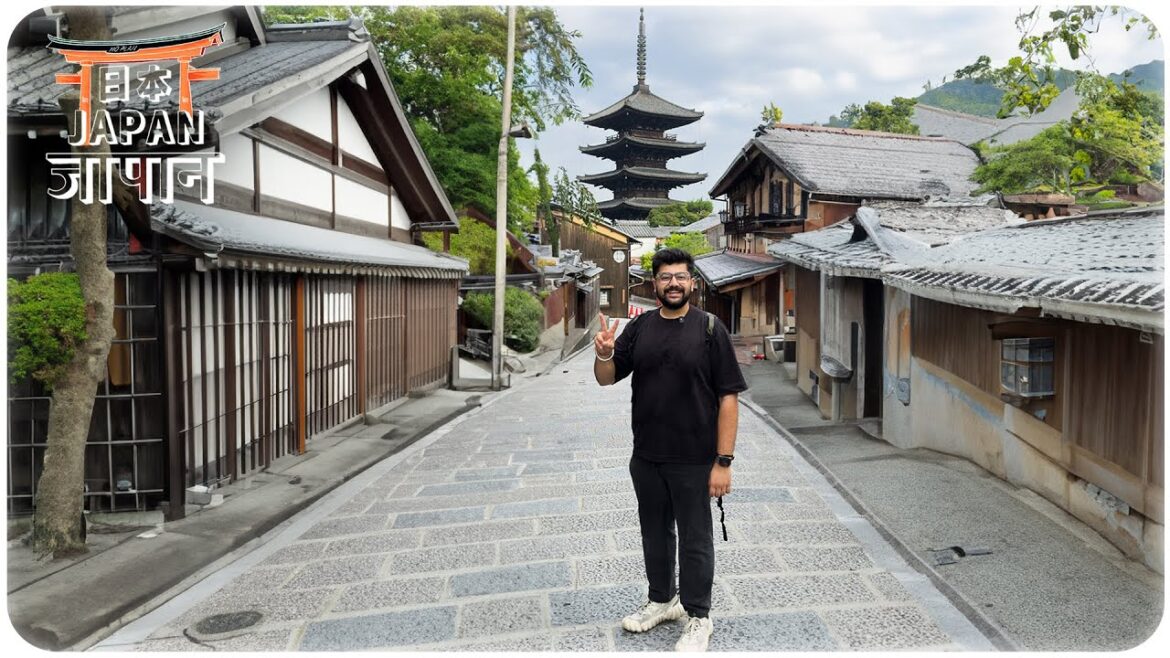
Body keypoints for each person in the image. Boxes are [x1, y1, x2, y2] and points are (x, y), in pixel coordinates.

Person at [593, 248, 747, 652]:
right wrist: (605, 353)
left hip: (696, 458)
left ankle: (698, 616)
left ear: (692, 282)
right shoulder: (640, 328)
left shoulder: (711, 329)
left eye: (681, 277)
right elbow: (606, 379)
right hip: (646, 455)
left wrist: (723, 462)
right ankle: (663, 599)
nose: (674, 283)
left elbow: (729, 398)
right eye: (665, 277)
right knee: (654, 533)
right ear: (654, 283)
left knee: (696, 539)